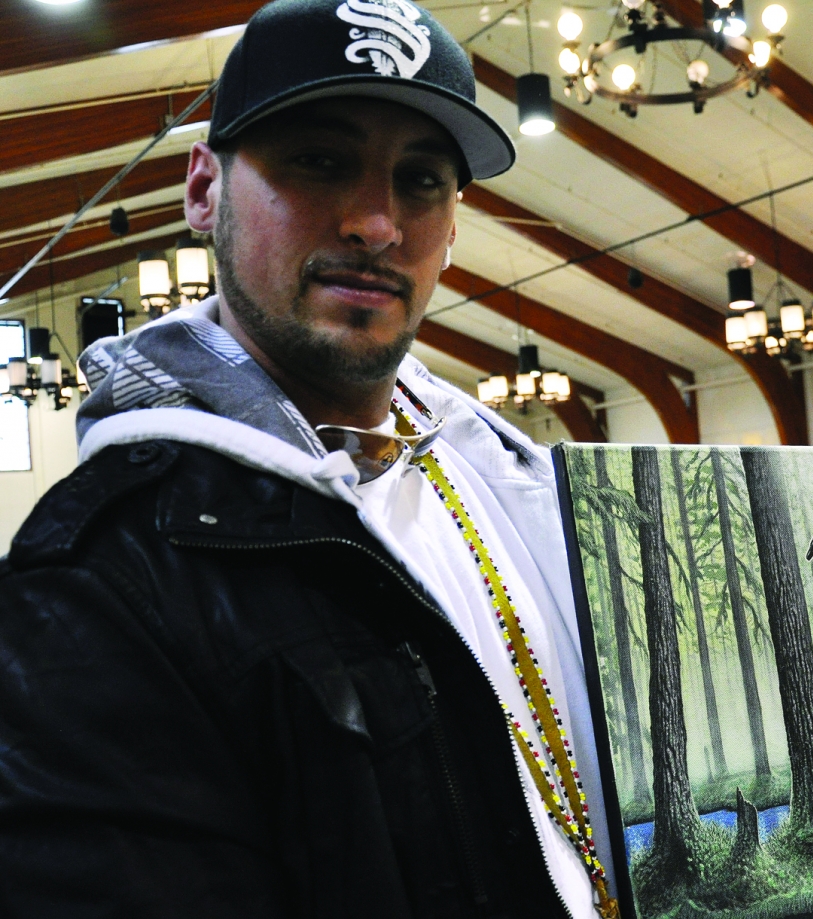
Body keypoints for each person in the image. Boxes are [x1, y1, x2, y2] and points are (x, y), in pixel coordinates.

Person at [0, 1, 617, 916]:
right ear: (203, 190)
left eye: (421, 179)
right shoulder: (94, 582)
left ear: (453, 228)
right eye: (320, 161)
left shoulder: (506, 483)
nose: (376, 223)